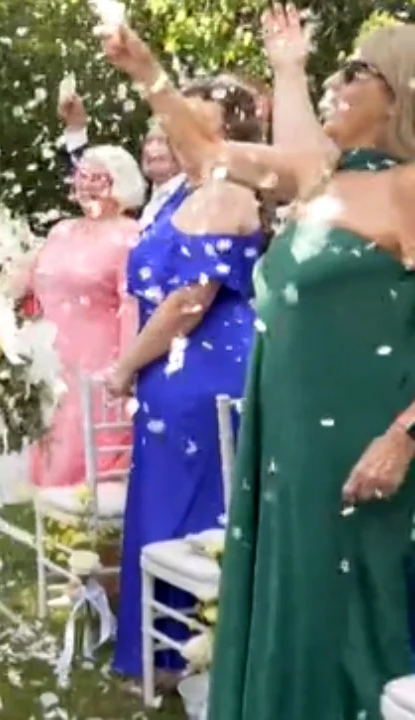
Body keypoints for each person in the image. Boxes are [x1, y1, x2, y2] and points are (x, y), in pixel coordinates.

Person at [105, 8, 415, 718]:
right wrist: (147, 71)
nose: (334, 82)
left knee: (359, 615)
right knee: (297, 599)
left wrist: (403, 436)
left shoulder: (410, 189)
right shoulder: (317, 176)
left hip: (367, 442)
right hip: (289, 440)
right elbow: (206, 152)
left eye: (355, 71)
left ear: (400, 91)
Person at [100, 74, 266, 687]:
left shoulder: (228, 192)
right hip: (171, 370)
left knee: (196, 511)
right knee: (166, 504)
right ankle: (170, 653)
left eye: (194, 119)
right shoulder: (179, 195)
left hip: (204, 369)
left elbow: (189, 302)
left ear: (231, 129)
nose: (177, 129)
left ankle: (200, 654)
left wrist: (125, 365)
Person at [11, 145, 143, 488]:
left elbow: (132, 306)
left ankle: (82, 511)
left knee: (82, 451)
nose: (87, 185)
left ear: (120, 182)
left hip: (98, 359)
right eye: (82, 176)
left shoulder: (130, 235)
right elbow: (37, 289)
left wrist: (127, 368)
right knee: (47, 440)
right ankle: (47, 511)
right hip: (50, 357)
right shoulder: (61, 230)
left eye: (98, 177)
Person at [59, 91, 183, 226]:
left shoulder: (191, 196)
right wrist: (76, 128)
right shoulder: (138, 200)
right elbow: (90, 171)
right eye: (148, 142)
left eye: (162, 141)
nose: (151, 149)